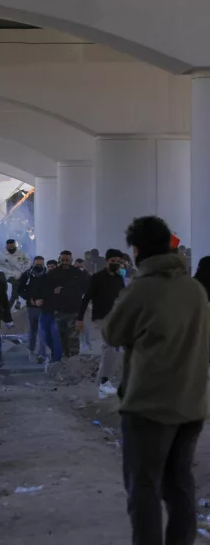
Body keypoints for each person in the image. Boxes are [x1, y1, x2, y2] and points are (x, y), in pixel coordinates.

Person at [103, 216, 210, 545]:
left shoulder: (142, 287)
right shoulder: (194, 288)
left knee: (143, 487)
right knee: (180, 486)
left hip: (149, 406)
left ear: (136, 251)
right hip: (191, 403)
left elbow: (112, 332)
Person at [77, 249, 126, 400]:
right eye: (113, 261)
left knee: (115, 348)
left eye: (118, 262)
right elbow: (86, 298)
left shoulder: (119, 279)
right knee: (110, 345)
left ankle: (102, 385)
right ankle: (104, 382)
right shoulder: (97, 278)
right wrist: (80, 319)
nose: (116, 264)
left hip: (116, 318)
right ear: (107, 261)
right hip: (101, 317)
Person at [44, 251, 89, 358]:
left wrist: (78, 294)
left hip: (75, 309)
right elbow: (44, 289)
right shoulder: (53, 273)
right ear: (59, 259)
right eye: (63, 260)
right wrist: (53, 291)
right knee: (61, 336)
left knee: (73, 336)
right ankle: (64, 357)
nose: (65, 262)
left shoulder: (78, 273)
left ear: (71, 260)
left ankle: (73, 360)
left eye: (67, 260)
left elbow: (87, 286)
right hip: (58, 310)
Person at [16, 256, 48, 359]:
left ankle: (41, 353)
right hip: (31, 306)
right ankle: (31, 349)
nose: (39, 266)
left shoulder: (47, 275)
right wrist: (30, 299)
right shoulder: (27, 274)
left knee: (42, 330)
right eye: (37, 264)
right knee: (33, 330)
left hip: (44, 306)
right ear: (33, 264)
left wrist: (44, 301)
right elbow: (20, 289)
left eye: (41, 264)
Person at [0, 239, 30, 308]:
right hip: (8, 274)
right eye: (9, 246)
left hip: (19, 274)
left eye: (13, 246)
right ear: (6, 246)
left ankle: (18, 301)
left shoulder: (20, 253)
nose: (11, 247)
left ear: (15, 245)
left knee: (18, 287)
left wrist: (25, 269)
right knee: (15, 284)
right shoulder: (1, 255)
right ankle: (10, 304)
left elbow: (27, 261)